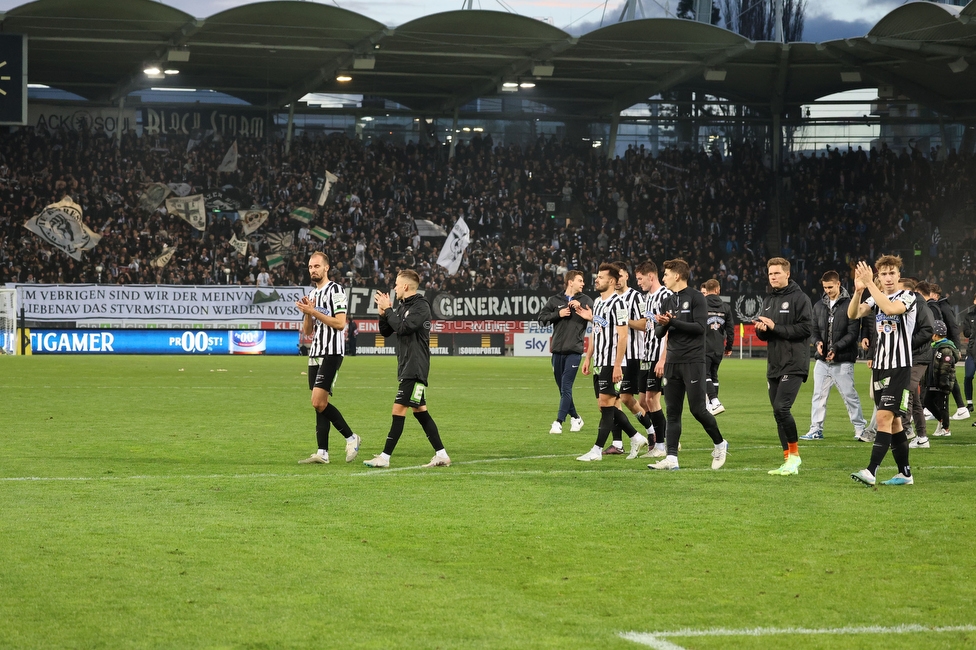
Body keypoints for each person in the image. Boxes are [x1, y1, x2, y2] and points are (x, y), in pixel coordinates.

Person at [364, 270, 450, 468]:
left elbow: (404, 328)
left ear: (405, 286)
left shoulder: (421, 306)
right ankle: (442, 455)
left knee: (398, 409)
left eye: (396, 284)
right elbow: (387, 331)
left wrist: (389, 311)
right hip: (407, 366)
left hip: (415, 367)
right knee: (420, 411)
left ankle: (384, 457)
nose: (394, 287)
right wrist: (382, 313)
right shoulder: (403, 307)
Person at [648, 258, 728, 471]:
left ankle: (720, 444)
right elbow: (659, 334)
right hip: (673, 361)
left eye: (665, 274)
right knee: (672, 411)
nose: (663, 277)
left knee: (698, 409)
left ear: (677, 275)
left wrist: (672, 322)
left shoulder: (696, 298)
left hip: (693, 361)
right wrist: (662, 324)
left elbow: (700, 328)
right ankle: (671, 458)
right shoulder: (667, 301)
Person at [848, 255, 918, 486]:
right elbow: (853, 314)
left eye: (892, 273)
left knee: (883, 417)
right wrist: (859, 290)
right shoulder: (875, 296)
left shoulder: (908, 296)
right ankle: (905, 474)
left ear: (899, 275)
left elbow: (890, 308)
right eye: (883, 274)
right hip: (879, 366)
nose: (887, 278)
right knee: (895, 422)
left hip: (899, 366)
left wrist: (870, 284)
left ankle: (871, 471)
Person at [294, 252, 361, 465]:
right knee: (319, 404)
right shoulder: (312, 294)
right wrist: (307, 312)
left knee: (317, 400)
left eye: (316, 266)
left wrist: (314, 311)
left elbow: (341, 323)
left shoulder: (336, 290)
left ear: (326, 268)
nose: (313, 270)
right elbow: (307, 331)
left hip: (332, 351)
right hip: (315, 352)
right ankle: (322, 452)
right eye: (310, 267)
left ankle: (352, 437)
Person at [577, 264, 648, 461]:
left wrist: (618, 365)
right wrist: (588, 357)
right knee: (605, 406)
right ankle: (635, 437)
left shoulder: (619, 304)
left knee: (607, 404)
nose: (596, 280)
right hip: (599, 361)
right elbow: (596, 332)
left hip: (612, 362)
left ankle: (597, 450)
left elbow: (623, 337)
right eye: (597, 276)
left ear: (611, 281)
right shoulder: (598, 302)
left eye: (600, 277)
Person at [754, 258, 813, 476]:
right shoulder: (769, 299)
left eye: (777, 273)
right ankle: (787, 460)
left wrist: (775, 327)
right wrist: (762, 329)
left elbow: (806, 329)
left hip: (794, 362)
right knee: (778, 414)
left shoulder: (800, 298)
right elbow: (767, 333)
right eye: (770, 274)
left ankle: (795, 456)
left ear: (787, 274)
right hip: (775, 364)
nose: (773, 277)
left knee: (782, 408)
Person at [801, 270, 866, 441]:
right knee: (818, 396)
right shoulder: (818, 306)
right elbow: (813, 331)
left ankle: (860, 428)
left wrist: (836, 347)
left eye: (830, 287)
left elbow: (853, 334)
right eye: (825, 287)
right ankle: (816, 429)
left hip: (842, 359)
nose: (827, 290)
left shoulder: (851, 304)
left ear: (838, 284)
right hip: (822, 361)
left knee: (849, 396)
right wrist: (818, 343)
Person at [537, 270, 592, 434]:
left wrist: (581, 309)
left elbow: (596, 318)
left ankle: (558, 422)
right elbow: (541, 319)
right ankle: (576, 417)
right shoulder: (555, 300)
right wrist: (557, 314)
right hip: (557, 352)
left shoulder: (586, 300)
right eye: (580, 280)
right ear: (570, 282)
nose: (583, 284)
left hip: (574, 351)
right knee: (563, 389)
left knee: (566, 386)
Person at [608, 261, 651, 458]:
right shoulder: (607, 299)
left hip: (633, 356)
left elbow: (645, 324)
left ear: (626, 276)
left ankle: (653, 433)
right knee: (613, 400)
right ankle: (617, 443)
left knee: (624, 398)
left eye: (620, 275)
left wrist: (623, 323)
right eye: (613, 277)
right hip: (614, 357)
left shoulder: (636, 297)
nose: (617, 280)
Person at [635, 260, 671, 458]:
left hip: (659, 356)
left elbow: (669, 330)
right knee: (644, 401)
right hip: (646, 356)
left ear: (651, 276)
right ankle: (664, 437)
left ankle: (661, 445)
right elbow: (648, 326)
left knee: (651, 399)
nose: (638, 283)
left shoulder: (666, 296)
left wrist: (663, 358)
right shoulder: (645, 298)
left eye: (640, 279)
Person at [915, 320, 960, 447]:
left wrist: (943, 383)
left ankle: (946, 429)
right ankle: (940, 421)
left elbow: (945, 368)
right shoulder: (933, 346)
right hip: (932, 382)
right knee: (927, 401)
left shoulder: (946, 349)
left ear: (935, 334)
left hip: (942, 383)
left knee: (943, 406)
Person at [928, 284, 970, 420]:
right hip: (944, 345)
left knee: (945, 376)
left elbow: (953, 327)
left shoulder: (944, 307)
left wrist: (956, 348)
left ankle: (959, 408)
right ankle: (961, 408)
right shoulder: (941, 306)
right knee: (949, 376)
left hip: (946, 346)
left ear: (935, 294)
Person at [901, 279, 934, 442]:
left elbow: (928, 330)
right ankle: (922, 437)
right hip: (910, 356)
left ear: (908, 291)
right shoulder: (910, 306)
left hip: (919, 357)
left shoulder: (921, 306)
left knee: (906, 391)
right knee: (913, 398)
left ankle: (906, 429)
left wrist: (907, 343)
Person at [701, 278, 734, 415]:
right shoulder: (725, 307)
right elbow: (731, 330)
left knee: (704, 374)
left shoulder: (701, 305)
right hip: (719, 348)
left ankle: (714, 401)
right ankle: (712, 405)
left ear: (707, 290)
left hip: (704, 346)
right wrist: (729, 347)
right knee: (714, 376)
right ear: (717, 290)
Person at [961, 293, 976, 420]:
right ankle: (969, 403)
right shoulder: (969, 316)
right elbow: (965, 332)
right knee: (968, 376)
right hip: (971, 352)